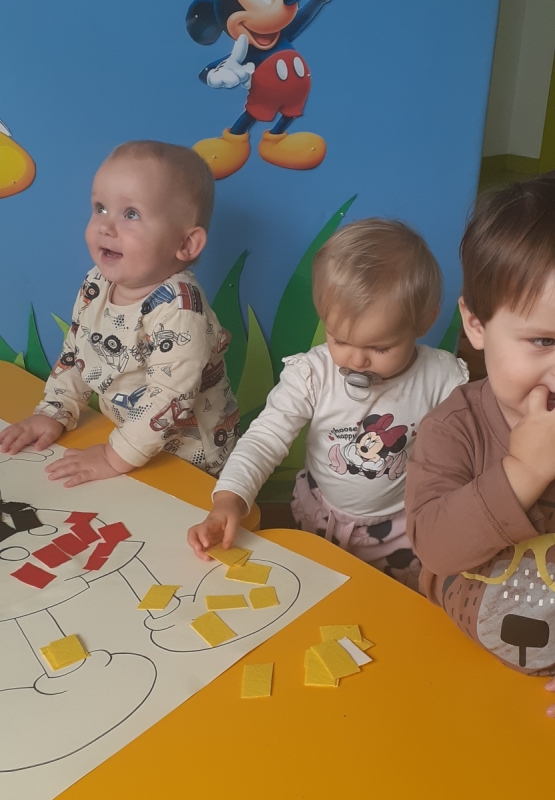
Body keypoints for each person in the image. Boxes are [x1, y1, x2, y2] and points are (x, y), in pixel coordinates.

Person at [188, 218, 468, 589]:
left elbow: (468, 449)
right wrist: (229, 498)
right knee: (317, 590)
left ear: (424, 322)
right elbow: (266, 437)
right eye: (340, 340)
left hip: (402, 529)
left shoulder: (443, 378)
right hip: (320, 517)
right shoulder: (313, 373)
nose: (357, 360)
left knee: (391, 601)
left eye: (379, 347)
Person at [0, 140, 238, 485]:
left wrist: (113, 457)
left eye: (131, 214)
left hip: (190, 458)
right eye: (100, 208)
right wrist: (55, 411)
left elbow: (169, 397)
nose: (106, 226)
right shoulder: (98, 282)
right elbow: (78, 349)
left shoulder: (181, 310)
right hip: (128, 440)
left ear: (185, 244)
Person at [405, 172, 555, 709]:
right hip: (454, 665)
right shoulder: (455, 427)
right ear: (476, 325)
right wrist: (523, 474)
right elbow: (434, 547)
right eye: (544, 340)